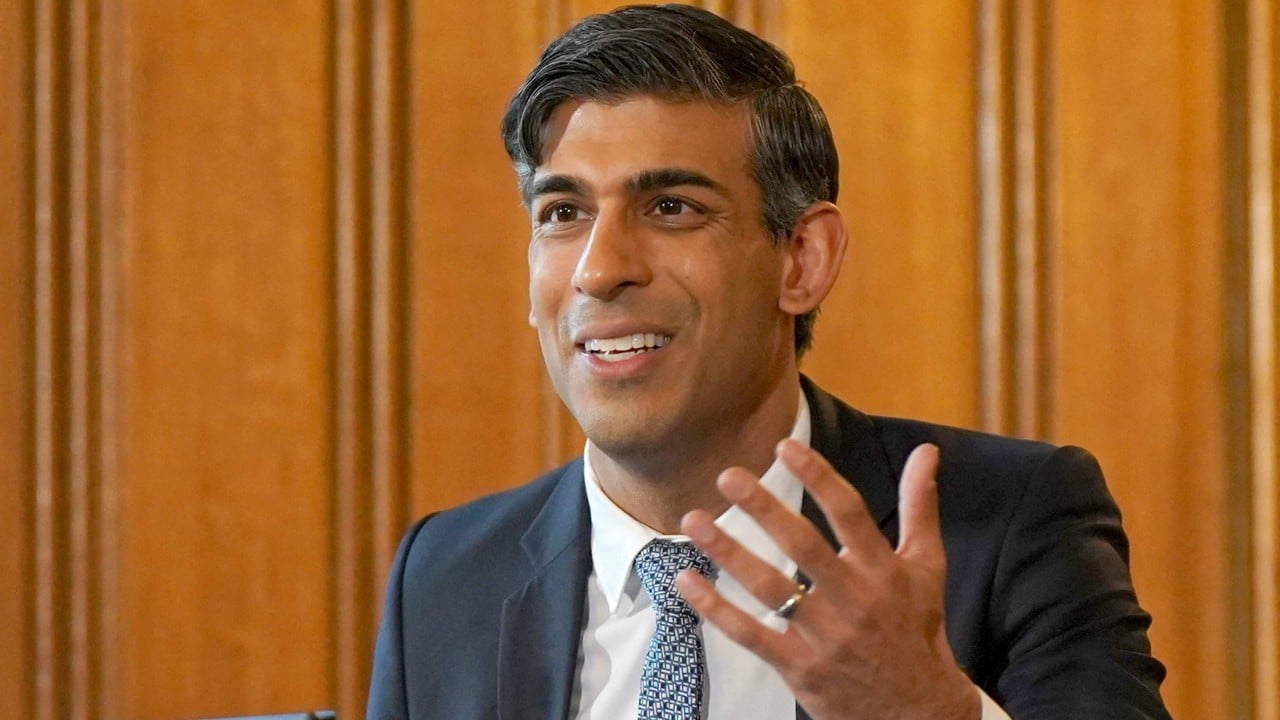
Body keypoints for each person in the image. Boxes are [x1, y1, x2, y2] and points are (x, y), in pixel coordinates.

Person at [366, 5, 1171, 719]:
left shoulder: (1009, 522)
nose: (599, 269)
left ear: (801, 259)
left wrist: (931, 715)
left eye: (671, 207)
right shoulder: (444, 576)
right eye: (563, 212)